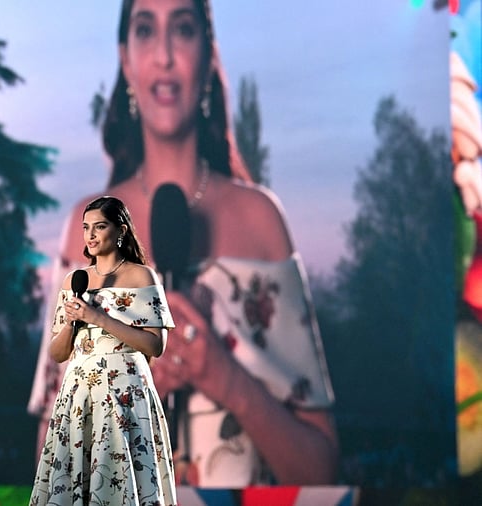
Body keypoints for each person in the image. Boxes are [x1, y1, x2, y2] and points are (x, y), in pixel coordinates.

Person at [29, 0, 339, 493]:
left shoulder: (261, 222)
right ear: (126, 59)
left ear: (208, 54)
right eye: (146, 30)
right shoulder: (85, 231)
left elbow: (320, 475)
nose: (166, 55)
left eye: (184, 29)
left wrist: (224, 376)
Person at [29, 196, 177, 505]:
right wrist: (72, 321)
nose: (91, 236)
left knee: (122, 481)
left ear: (120, 230)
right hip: (79, 393)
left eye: (100, 227)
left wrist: (97, 317)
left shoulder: (141, 276)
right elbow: (58, 354)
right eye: (86, 228)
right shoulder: (74, 280)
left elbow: (155, 345)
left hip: (125, 392)